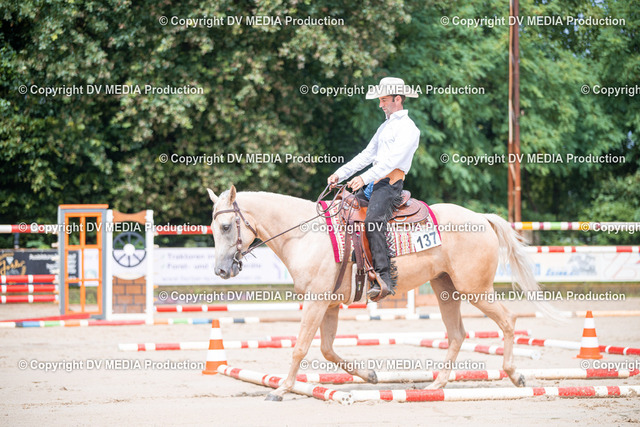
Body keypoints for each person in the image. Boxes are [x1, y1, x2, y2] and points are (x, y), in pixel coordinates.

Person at [328, 77, 420, 300]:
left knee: (373, 221)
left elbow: (390, 162)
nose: (380, 105)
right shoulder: (384, 127)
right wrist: (340, 173)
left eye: (384, 100)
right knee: (345, 211)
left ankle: (384, 277)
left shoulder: (409, 129)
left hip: (390, 185)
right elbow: (367, 155)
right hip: (374, 183)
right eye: (380, 100)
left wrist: (364, 178)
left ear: (398, 99)